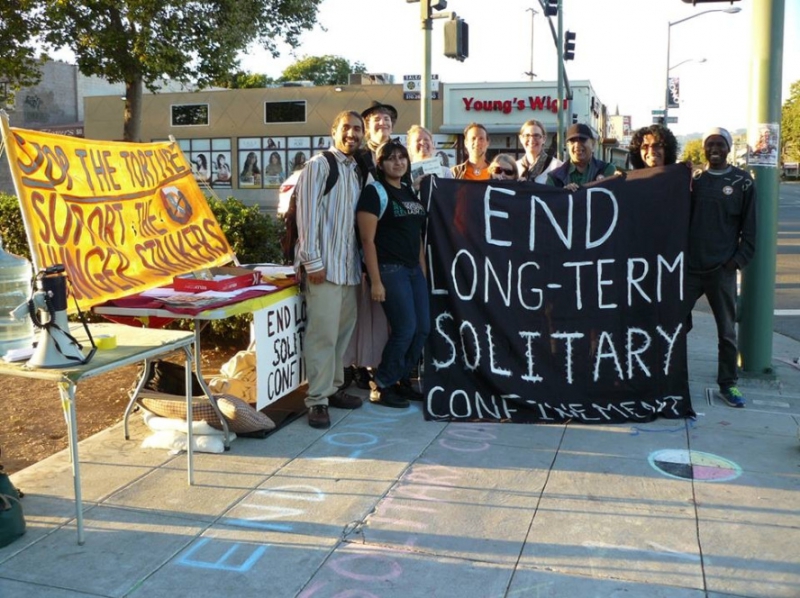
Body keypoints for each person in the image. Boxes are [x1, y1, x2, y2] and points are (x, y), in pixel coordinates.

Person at [294, 110, 366, 428]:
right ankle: (318, 399)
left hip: (348, 266)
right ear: (334, 130)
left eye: (358, 129)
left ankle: (333, 387)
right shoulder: (320, 165)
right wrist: (312, 261)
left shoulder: (356, 169)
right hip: (324, 267)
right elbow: (306, 215)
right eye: (347, 128)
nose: (353, 133)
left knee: (341, 334)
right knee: (322, 335)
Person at [685, 127, 756, 409]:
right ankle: (671, 376)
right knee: (675, 323)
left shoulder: (743, 182)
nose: (714, 148)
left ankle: (728, 384)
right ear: (704, 149)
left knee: (726, 331)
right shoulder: (694, 180)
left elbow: (750, 229)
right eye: (710, 144)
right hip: (690, 268)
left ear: (728, 148)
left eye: (720, 144)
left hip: (721, 270)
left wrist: (736, 261)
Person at [357, 140, 429, 408]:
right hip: (390, 270)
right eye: (391, 158)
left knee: (423, 329)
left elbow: (417, 236)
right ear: (380, 163)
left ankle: (401, 380)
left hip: (413, 270)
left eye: (402, 157)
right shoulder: (375, 192)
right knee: (405, 329)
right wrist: (375, 281)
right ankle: (383, 385)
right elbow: (367, 241)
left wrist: (422, 270)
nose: (397, 162)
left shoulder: (409, 191)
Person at [342, 101, 398, 390]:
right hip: (360, 239)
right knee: (361, 307)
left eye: (387, 119)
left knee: (383, 313)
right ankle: (355, 364)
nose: (383, 123)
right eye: (376, 119)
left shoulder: (399, 154)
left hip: (391, 243)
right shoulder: (358, 157)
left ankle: (376, 361)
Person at [546, 123, 617, 191]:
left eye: (582, 140)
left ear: (593, 144)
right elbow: (550, 201)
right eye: (572, 141)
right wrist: (563, 194)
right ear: (567, 146)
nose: (577, 145)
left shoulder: (607, 170)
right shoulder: (554, 178)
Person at [407, 124, 453, 188]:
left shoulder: (445, 172)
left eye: (426, 139)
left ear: (432, 145)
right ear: (410, 147)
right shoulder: (404, 173)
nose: (422, 142)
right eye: (418, 140)